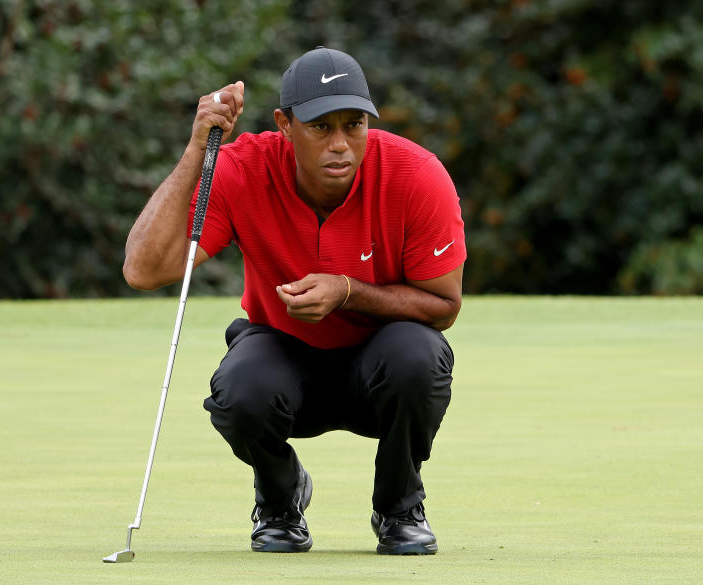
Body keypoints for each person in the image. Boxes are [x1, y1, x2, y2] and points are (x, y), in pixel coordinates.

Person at [122, 47, 465, 555]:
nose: (342, 145)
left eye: (354, 125)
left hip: (381, 364)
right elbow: (144, 270)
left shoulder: (415, 174)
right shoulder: (242, 168)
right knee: (241, 388)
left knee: (419, 356)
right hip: (282, 353)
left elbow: (444, 307)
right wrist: (198, 150)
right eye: (321, 127)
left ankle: (399, 508)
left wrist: (347, 290)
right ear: (284, 124)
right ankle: (281, 499)